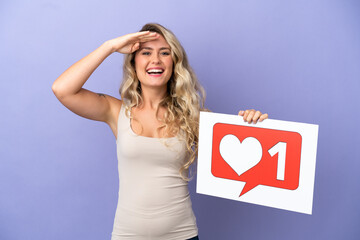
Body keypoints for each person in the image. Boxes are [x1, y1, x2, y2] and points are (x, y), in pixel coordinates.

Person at [52, 23, 268, 240]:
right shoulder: (116, 111)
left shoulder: (191, 117)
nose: (155, 59)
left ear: (174, 63)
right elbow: (62, 89)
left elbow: (244, 158)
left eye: (164, 53)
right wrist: (109, 46)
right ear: (134, 61)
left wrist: (250, 124)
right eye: (146, 52)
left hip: (182, 235)